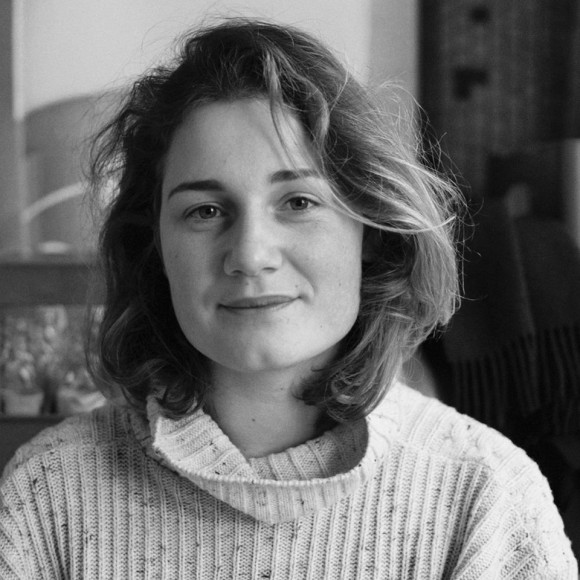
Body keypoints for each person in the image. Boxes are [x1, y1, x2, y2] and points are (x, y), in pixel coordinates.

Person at [0, 18, 576, 579]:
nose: (251, 254)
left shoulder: (486, 498)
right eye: (205, 211)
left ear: (371, 233)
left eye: (298, 202)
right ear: (155, 248)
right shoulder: (47, 496)